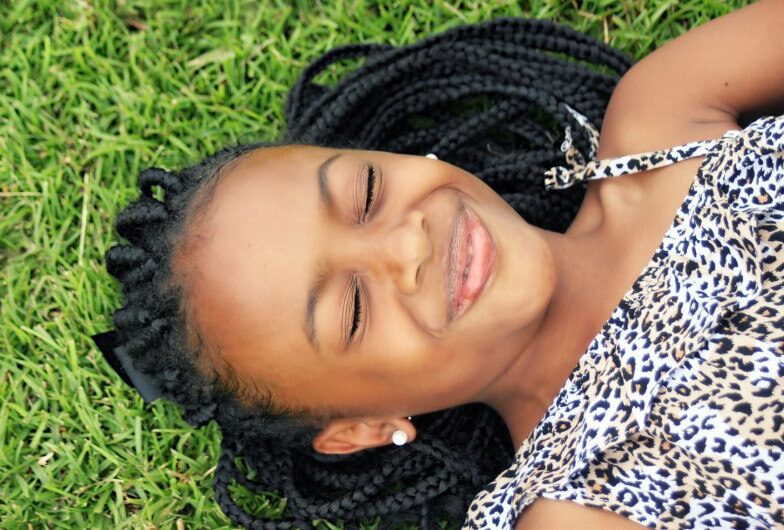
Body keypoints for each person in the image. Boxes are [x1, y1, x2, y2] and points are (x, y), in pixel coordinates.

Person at [90, 1, 784, 528]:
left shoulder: (667, 119)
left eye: (365, 193)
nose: (407, 246)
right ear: (360, 426)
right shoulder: (580, 510)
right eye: (353, 309)